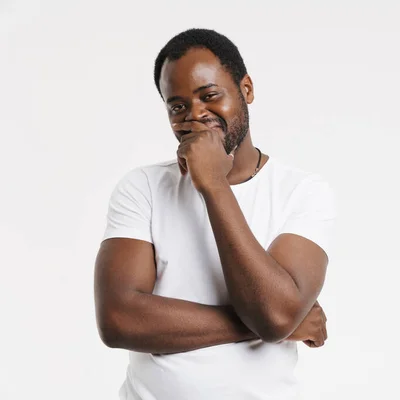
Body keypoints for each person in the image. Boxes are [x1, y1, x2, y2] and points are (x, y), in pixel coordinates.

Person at [93, 28, 336, 399]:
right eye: (177, 106)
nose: (195, 115)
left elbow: (274, 314)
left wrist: (213, 185)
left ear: (247, 89)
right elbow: (118, 320)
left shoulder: (302, 192)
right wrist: (278, 325)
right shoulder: (142, 187)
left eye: (210, 95)